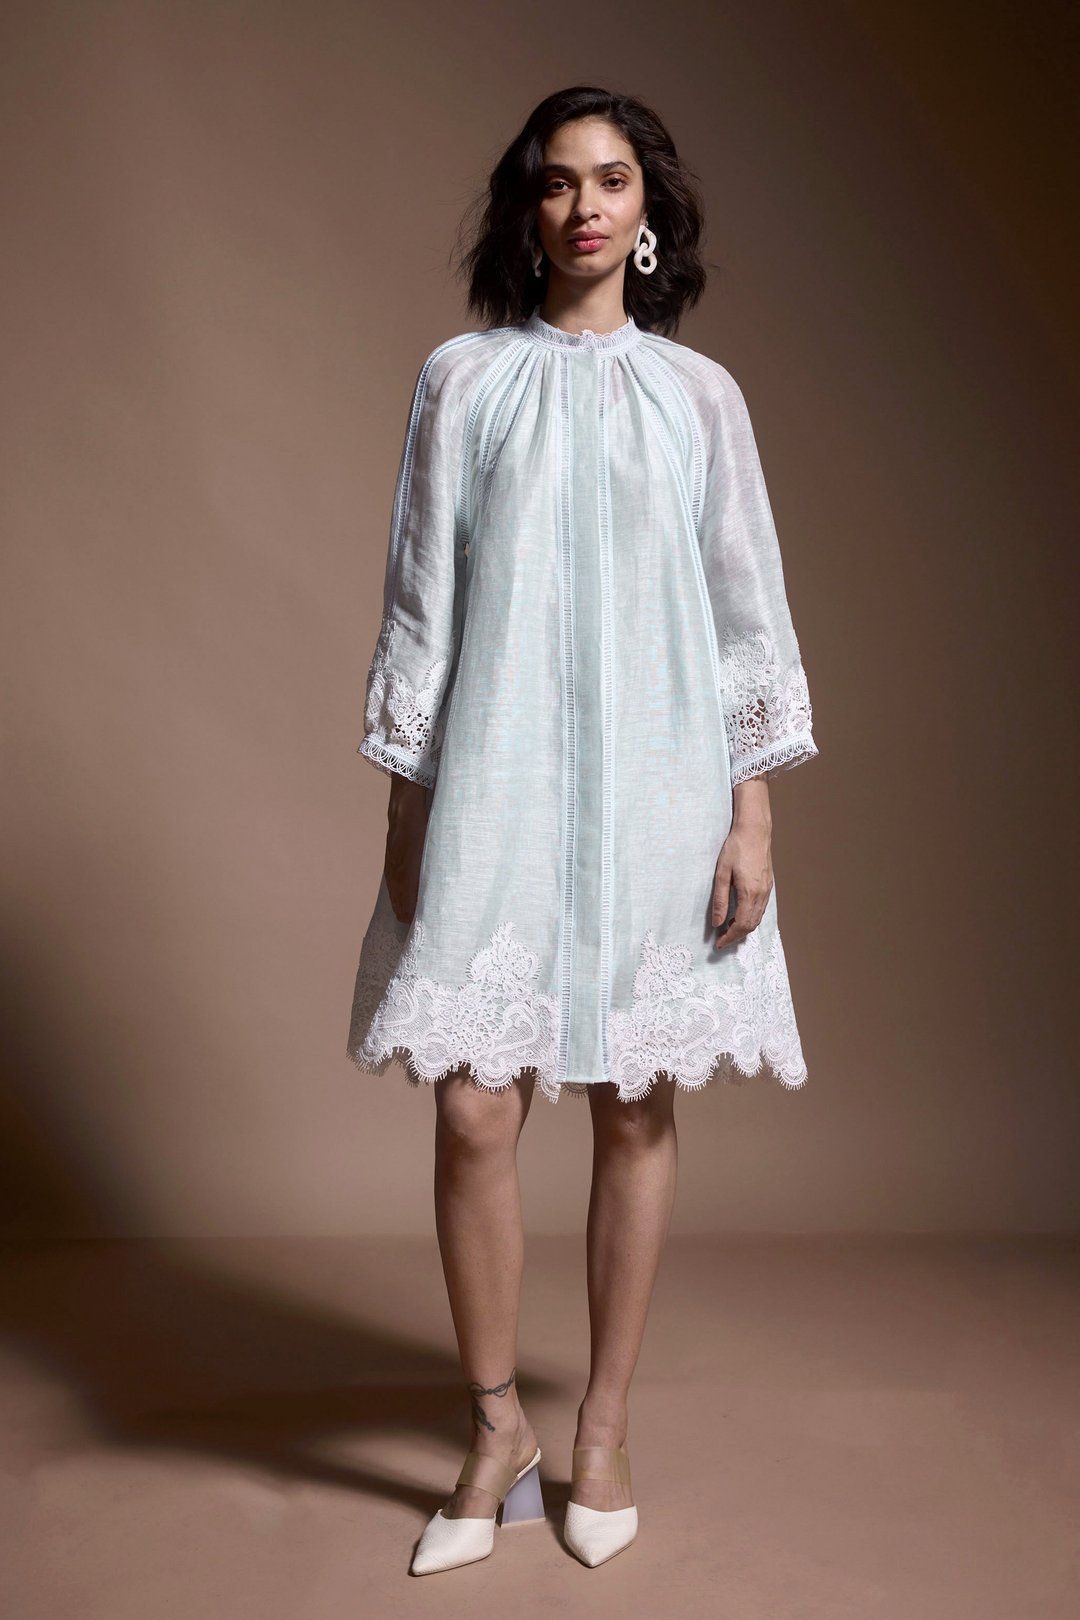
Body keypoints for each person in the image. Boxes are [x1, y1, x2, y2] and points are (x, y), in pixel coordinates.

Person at [346, 85, 820, 1574]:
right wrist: (407, 806)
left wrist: (751, 814)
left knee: (632, 1104)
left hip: (665, 790)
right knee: (474, 1108)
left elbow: (746, 616)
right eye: (557, 183)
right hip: (497, 780)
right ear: (526, 210)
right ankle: (497, 1427)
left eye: (612, 180)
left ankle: (601, 1427)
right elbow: (421, 607)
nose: (585, 207)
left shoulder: (700, 398)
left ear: (648, 210)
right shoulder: (463, 382)